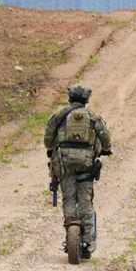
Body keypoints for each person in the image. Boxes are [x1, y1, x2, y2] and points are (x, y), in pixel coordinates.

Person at [43, 84, 112, 259]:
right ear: (86, 100)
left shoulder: (60, 115)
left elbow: (48, 136)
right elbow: (104, 135)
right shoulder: (92, 116)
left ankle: (70, 231)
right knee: (85, 199)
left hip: (64, 163)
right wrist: (106, 149)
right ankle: (87, 241)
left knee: (68, 197)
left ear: (70, 98)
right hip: (86, 164)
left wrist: (51, 149)